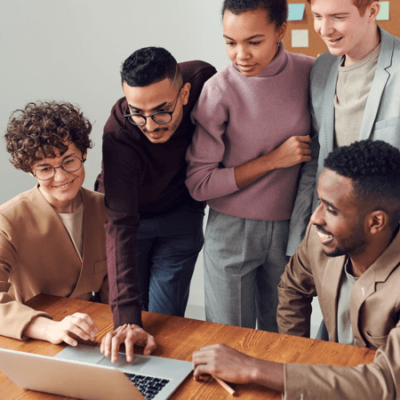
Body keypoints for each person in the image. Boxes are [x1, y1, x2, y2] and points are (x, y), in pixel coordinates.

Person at [193, 139, 400, 400]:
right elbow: (292, 287)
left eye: (331, 210)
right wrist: (293, 359)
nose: (315, 218)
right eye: (320, 202)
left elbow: (389, 382)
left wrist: (256, 368)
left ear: (376, 221)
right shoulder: (321, 235)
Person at [185, 0, 314, 332]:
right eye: (230, 42)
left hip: (291, 229)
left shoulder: (312, 72)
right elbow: (199, 184)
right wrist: (274, 161)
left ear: (280, 31)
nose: (240, 54)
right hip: (230, 230)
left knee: (284, 338)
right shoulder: (219, 90)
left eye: (253, 42)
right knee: (229, 340)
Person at [96, 47, 216, 362]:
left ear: (185, 93)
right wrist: (126, 320)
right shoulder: (119, 133)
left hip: (180, 214)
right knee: (129, 326)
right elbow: (120, 223)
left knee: (165, 326)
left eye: (162, 111)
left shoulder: (204, 81)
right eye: (137, 112)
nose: (150, 125)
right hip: (127, 219)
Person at [287, 0, 400, 255]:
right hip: (330, 239)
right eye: (317, 16)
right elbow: (315, 158)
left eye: (337, 17)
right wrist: (300, 239)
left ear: (371, 11)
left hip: (389, 242)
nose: (324, 29)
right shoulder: (322, 68)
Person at [0, 101, 109, 346]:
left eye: (69, 161)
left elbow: (113, 291)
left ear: (84, 153)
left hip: (93, 333)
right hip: (32, 337)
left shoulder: (105, 209)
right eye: (45, 168)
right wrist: (49, 328)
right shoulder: (7, 219)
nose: (60, 177)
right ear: (30, 170)